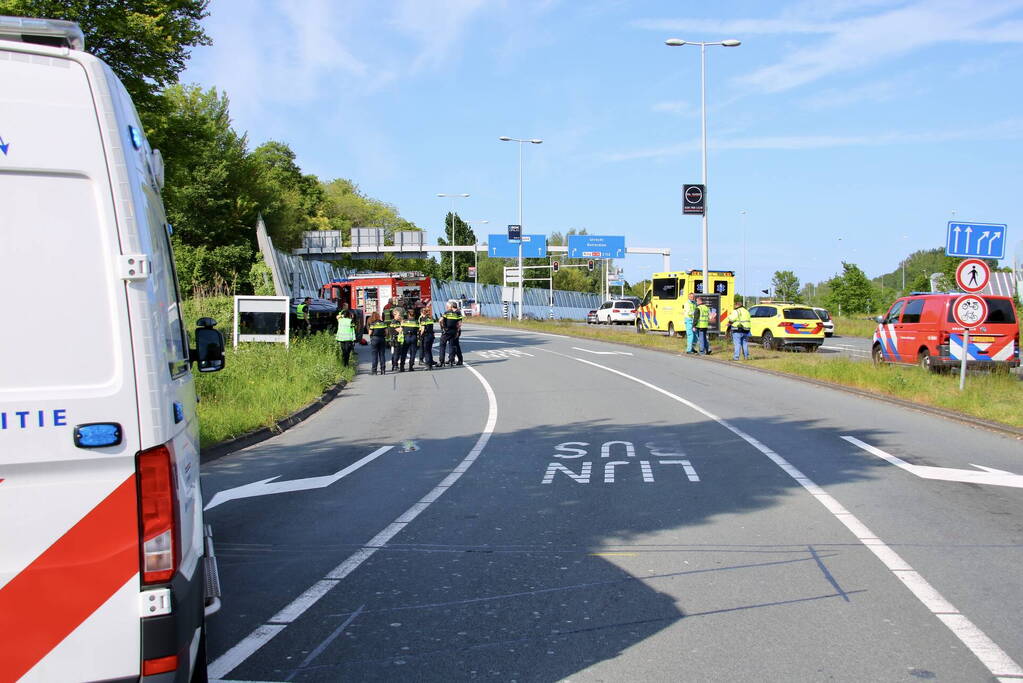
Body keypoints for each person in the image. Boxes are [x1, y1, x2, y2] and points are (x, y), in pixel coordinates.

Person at [437, 303, 462, 367]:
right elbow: (459, 324)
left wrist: (442, 328)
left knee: (442, 346)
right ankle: (451, 361)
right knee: (452, 346)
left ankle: (441, 361)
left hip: (446, 331)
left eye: (447, 306)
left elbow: (440, 320)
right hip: (454, 331)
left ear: (449, 307)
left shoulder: (446, 313)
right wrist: (457, 331)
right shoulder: (457, 314)